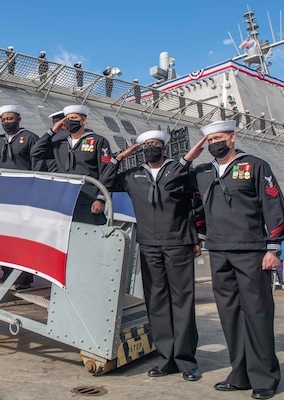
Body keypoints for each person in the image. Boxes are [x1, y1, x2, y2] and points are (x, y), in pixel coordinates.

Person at [185, 120, 284, 400]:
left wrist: (273, 248)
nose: (214, 143)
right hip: (219, 252)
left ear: (232, 138)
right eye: (209, 139)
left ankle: (265, 377)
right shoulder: (202, 172)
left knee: (257, 314)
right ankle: (239, 374)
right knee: (229, 316)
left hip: (252, 250)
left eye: (219, 137)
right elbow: (189, 199)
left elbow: (273, 205)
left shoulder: (255, 165)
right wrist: (188, 158)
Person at [109, 130, 202, 382]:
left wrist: (196, 235)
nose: (151, 148)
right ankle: (166, 358)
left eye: (155, 144)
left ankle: (186, 360)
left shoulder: (178, 171)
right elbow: (106, 180)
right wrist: (123, 155)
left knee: (181, 301)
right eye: (146, 145)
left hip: (178, 243)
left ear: (164, 147)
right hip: (150, 246)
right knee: (157, 302)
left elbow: (199, 201)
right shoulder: (133, 176)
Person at [0, 104, 41, 288]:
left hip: (23, 195)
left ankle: (23, 276)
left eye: (10, 119)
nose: (6, 123)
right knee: (4, 235)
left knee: (21, 237)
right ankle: (8, 273)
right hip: (3, 195)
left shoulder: (29, 138)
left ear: (19, 119)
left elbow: (39, 164)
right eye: (3, 120)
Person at [31, 104, 113, 225]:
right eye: (68, 118)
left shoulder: (98, 141)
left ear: (84, 120)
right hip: (64, 198)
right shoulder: (59, 143)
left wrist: (100, 199)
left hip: (88, 198)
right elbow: (35, 152)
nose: (70, 121)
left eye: (74, 118)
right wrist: (52, 131)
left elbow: (107, 171)